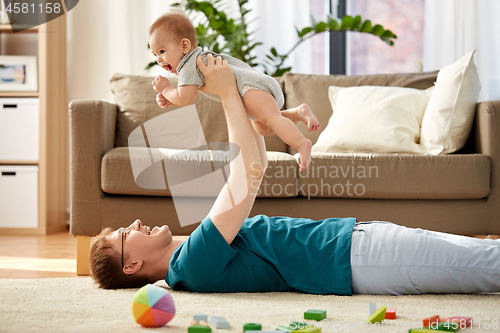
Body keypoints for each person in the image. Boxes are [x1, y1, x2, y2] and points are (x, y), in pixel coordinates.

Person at [90, 53, 500, 295]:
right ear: (131, 267)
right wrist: (227, 90)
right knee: (484, 264)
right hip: (355, 260)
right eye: (127, 235)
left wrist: (251, 113)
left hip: (350, 242)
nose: (136, 223)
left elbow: (252, 162)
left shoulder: (192, 254)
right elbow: (248, 175)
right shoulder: (191, 266)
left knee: (475, 255)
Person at [148, 11, 320, 171]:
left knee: (272, 119)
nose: (158, 59)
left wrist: (166, 89)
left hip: (251, 88)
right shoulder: (192, 62)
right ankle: (298, 113)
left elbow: (185, 98)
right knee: (264, 128)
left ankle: (301, 143)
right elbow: (184, 94)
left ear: (185, 46)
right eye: (155, 54)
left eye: (162, 51)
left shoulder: (188, 65)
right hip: (252, 90)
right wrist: (170, 97)